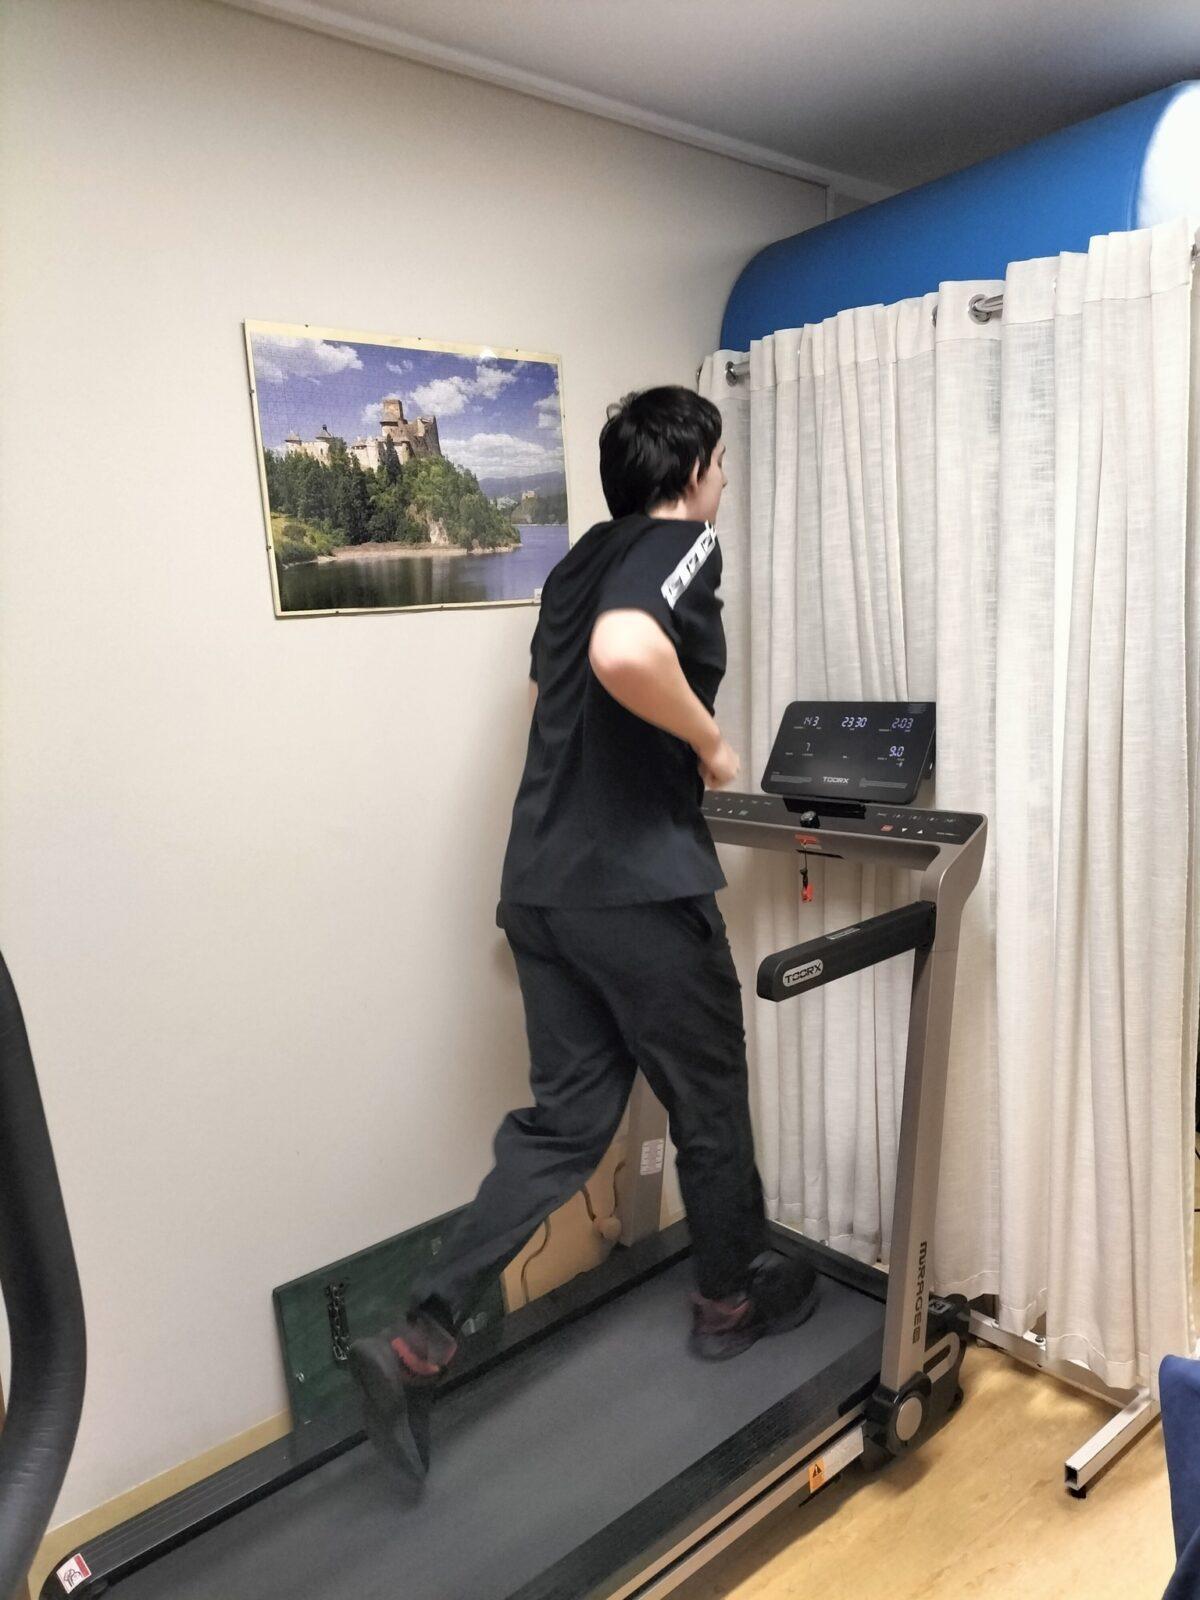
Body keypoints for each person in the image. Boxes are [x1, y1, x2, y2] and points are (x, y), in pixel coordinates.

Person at [349, 386, 818, 1481]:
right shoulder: (680, 542)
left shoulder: (573, 565)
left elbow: (548, 707)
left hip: (542, 887)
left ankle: (420, 1335)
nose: (723, 482)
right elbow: (622, 653)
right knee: (707, 1097)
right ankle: (729, 1302)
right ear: (692, 471)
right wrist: (711, 748)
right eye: (720, 465)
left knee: (567, 1123)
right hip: (637, 890)